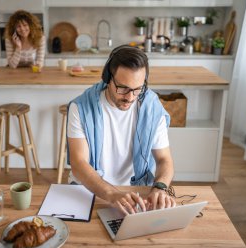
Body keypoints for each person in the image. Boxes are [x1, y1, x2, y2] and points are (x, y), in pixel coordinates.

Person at [67, 45, 176, 215]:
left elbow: (164, 159)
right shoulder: (81, 108)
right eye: (123, 88)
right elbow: (78, 164)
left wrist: (160, 187)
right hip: (90, 191)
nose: (130, 97)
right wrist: (113, 194)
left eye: (138, 89)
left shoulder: (152, 108)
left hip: (135, 193)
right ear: (108, 78)